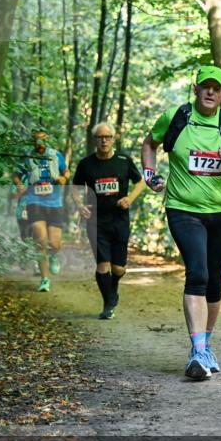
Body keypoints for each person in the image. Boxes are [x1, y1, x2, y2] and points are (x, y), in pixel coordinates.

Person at [141, 65, 221, 380]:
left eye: (216, 88)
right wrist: (149, 174)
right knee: (198, 273)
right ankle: (198, 350)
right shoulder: (176, 117)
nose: (210, 92)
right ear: (196, 89)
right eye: (205, 86)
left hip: (220, 212)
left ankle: (206, 344)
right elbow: (150, 144)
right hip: (182, 208)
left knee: (215, 282)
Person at [72, 123, 146, 319]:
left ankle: (113, 286)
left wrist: (129, 198)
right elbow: (75, 187)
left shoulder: (123, 161)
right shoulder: (86, 164)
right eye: (100, 137)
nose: (104, 140)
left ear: (113, 139)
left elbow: (140, 182)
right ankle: (108, 304)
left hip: (119, 219)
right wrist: (80, 205)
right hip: (96, 221)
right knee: (102, 265)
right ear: (95, 140)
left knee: (118, 268)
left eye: (108, 137)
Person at [12, 128, 69, 292]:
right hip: (34, 201)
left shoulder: (55, 155)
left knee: (54, 243)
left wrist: (63, 178)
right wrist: (19, 184)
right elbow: (16, 174)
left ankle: (54, 255)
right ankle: (45, 279)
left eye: (42, 140)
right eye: (36, 140)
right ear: (32, 141)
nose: (39, 143)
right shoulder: (27, 157)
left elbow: (66, 171)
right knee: (40, 240)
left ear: (47, 140)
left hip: (54, 203)